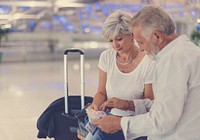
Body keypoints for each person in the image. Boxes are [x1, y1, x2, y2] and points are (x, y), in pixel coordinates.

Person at [91, 5, 200, 140]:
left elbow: (162, 120)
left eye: (141, 42)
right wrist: (129, 104)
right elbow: (167, 105)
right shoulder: (188, 51)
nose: (141, 49)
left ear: (157, 36)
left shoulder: (173, 60)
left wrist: (120, 123)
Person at [84, 9, 155, 140]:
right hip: (107, 123)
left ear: (132, 35)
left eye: (119, 39)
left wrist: (125, 104)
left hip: (135, 127)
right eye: (110, 41)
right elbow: (101, 92)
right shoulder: (106, 57)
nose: (115, 45)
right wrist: (95, 106)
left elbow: (150, 104)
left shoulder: (149, 62)